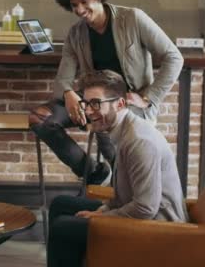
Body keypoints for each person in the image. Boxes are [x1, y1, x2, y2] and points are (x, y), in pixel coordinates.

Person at [29, 0, 183, 185]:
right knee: (39, 118)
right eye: (74, 5)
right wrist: (68, 94)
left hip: (126, 104)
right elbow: (64, 78)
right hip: (92, 102)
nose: (80, 10)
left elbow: (174, 57)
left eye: (85, 2)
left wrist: (149, 98)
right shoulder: (75, 34)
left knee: (111, 141)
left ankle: (120, 192)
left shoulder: (133, 19)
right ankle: (94, 173)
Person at [46, 71, 188, 267]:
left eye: (96, 103)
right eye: (86, 103)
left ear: (120, 104)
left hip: (158, 227)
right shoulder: (123, 130)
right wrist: (104, 210)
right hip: (140, 215)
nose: (87, 111)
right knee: (60, 204)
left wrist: (103, 216)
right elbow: (125, 193)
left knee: (63, 228)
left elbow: (146, 208)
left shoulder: (139, 142)